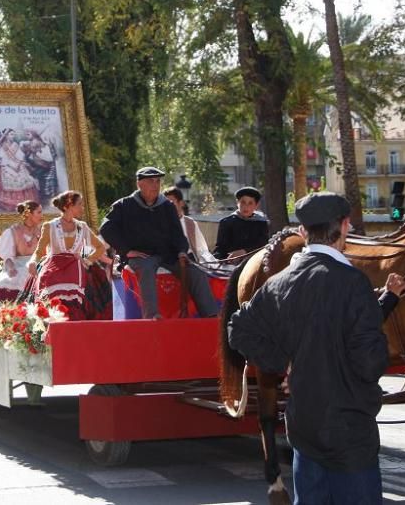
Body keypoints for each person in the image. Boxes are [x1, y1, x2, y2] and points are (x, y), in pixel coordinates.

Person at [228, 192, 389, 504]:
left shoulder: (279, 283)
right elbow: (371, 364)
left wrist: (283, 363)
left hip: (303, 428)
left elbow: (238, 327)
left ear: (303, 232)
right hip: (350, 432)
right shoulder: (355, 284)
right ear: (344, 226)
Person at [100, 167, 219, 318]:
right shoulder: (124, 205)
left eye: (158, 181)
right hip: (141, 256)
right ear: (139, 184)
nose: (156, 185)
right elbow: (105, 228)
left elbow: (178, 234)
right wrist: (125, 250)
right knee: (147, 269)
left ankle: (211, 316)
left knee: (196, 273)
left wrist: (182, 251)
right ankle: (152, 316)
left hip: (168, 255)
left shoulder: (167, 206)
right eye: (151, 181)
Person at [25, 191, 106, 320]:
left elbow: (100, 247)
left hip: (76, 268)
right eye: (79, 204)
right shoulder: (50, 226)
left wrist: (86, 260)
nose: (82, 208)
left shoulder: (82, 227)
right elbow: (39, 251)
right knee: (49, 290)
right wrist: (32, 262)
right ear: (68, 205)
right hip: (53, 267)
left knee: (77, 288)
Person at [0, 200, 42, 303]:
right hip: (18, 265)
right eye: (39, 212)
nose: (42, 216)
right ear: (29, 214)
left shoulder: (42, 231)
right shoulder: (13, 232)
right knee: (7, 280)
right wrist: (10, 269)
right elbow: (8, 257)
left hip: (37, 264)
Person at [213, 186, 270, 261]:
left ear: (256, 205)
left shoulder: (261, 223)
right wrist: (218, 259)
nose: (246, 206)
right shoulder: (226, 222)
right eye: (243, 202)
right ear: (237, 203)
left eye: (250, 203)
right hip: (230, 264)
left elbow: (263, 246)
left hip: (255, 262)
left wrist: (244, 252)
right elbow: (220, 248)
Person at [0, 130, 40, 212]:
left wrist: (18, 164)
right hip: (6, 165)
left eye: (14, 135)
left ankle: (25, 202)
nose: (13, 136)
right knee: (11, 178)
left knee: (26, 178)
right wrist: (11, 166)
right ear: (6, 135)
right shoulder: (2, 145)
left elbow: (20, 156)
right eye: (11, 134)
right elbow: (1, 159)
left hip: (17, 164)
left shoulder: (15, 144)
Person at [162, 187, 216, 265]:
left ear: (181, 203)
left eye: (171, 203)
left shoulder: (190, 223)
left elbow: (201, 249)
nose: (168, 207)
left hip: (189, 260)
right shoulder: (161, 222)